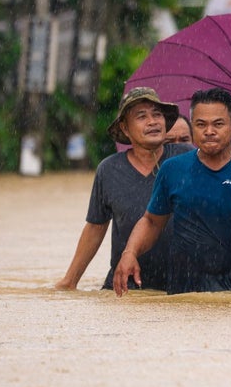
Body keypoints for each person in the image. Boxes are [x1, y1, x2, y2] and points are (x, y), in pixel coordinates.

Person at [113, 87, 231, 295]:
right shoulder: (172, 170)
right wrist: (129, 252)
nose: (209, 131)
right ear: (192, 127)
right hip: (183, 298)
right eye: (201, 124)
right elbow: (152, 221)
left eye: (218, 124)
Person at [55, 88, 191, 291]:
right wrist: (70, 281)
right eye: (141, 116)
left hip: (180, 285)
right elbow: (95, 228)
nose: (152, 122)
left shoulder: (187, 158)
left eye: (157, 114)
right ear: (125, 128)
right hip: (126, 286)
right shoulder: (109, 170)